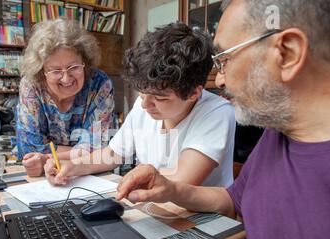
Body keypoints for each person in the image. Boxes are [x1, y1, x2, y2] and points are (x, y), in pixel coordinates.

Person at [116, 0, 330, 239]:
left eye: (224, 60)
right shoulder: (277, 133)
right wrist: (171, 188)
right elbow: (232, 201)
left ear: (287, 53)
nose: (221, 80)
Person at [45, 22, 235, 188]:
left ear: (194, 93)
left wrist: (126, 181)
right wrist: (74, 167)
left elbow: (181, 180)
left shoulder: (218, 113)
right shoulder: (145, 103)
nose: (145, 104)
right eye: (142, 93)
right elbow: (113, 154)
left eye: (159, 98)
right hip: (154, 209)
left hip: (202, 218)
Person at [16, 18, 117, 177]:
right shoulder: (31, 85)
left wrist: (47, 157)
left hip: (90, 174)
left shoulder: (100, 84)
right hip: (40, 174)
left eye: (74, 67)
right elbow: (29, 148)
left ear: (85, 62)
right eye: (56, 70)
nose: (66, 78)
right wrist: (80, 151)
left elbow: (99, 148)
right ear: (42, 71)